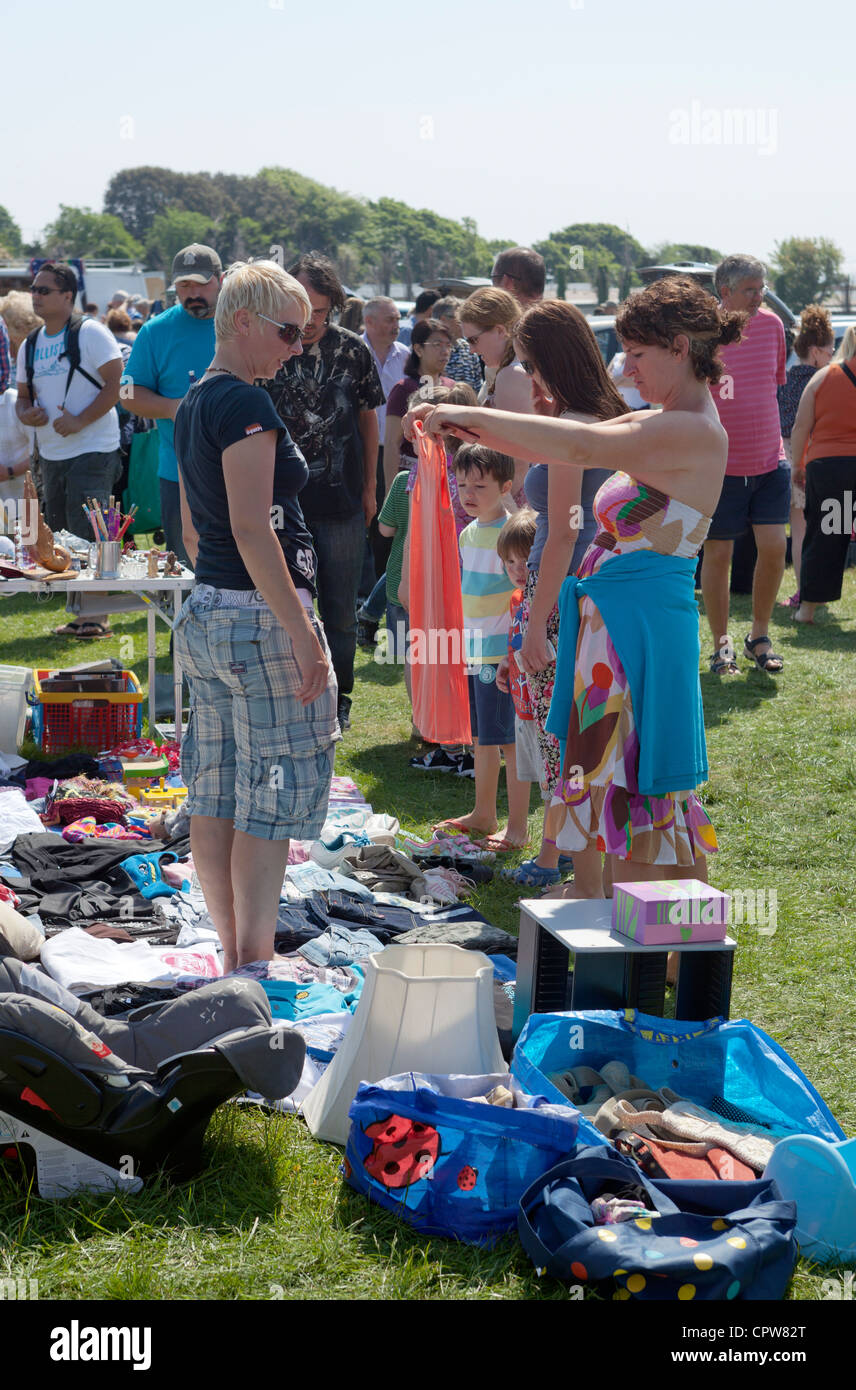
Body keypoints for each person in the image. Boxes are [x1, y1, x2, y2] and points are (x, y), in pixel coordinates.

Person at [405, 276, 738, 894]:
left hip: (638, 634)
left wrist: (465, 415)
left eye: (638, 354)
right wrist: (463, 427)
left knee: (643, 795)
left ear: (681, 346)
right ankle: (659, 949)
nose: (629, 370)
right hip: (617, 627)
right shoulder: (668, 419)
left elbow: (581, 441)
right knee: (634, 794)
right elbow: (567, 441)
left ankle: (660, 953)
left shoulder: (690, 429)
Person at [172, 259, 338, 974]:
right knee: (268, 797)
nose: (297, 346)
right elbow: (248, 528)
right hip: (257, 615)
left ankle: (236, 954)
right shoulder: (243, 403)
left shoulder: (193, 399)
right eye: (288, 331)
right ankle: (255, 961)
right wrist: (304, 634)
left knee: (216, 790)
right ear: (244, 322)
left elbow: (192, 529)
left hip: (208, 611)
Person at [500, 299, 626, 889]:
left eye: (527, 363)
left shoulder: (573, 425)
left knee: (566, 745)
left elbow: (566, 528)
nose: (526, 376)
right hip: (592, 597)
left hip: (565, 601)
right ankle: (582, 866)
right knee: (587, 742)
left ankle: (577, 868)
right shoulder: (608, 415)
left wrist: (534, 617)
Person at [263, 253, 383, 732]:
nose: (310, 322)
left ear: (334, 304)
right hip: (278, 504)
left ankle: (340, 696)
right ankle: (287, 692)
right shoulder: (267, 345)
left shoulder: (352, 350)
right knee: (279, 602)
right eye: (300, 308)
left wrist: (372, 484)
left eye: (319, 310)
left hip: (341, 500)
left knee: (338, 608)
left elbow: (369, 417)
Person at [15, 262, 122, 639]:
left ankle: (98, 618)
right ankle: (80, 615)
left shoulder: (91, 333)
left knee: (89, 531)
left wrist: (81, 419)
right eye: (34, 289)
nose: (36, 295)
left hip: (94, 448)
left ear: (67, 296)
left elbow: (116, 383)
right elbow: (22, 399)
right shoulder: (30, 344)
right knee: (62, 535)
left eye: (44, 290)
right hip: (53, 454)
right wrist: (28, 413)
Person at [433, 444, 531, 851]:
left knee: (509, 741)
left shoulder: (513, 534)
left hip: (501, 657)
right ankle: (484, 812)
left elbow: (523, 593)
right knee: (483, 738)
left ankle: (519, 827)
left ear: (506, 486)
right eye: (461, 485)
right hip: (475, 652)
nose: (468, 493)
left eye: (480, 485)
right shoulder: (467, 532)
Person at [700, 254, 788, 675]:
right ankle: (721, 646)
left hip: (771, 461)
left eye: (761, 288)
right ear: (725, 292)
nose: (759, 296)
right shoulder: (704, 332)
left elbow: (772, 385)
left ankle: (759, 635)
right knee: (718, 554)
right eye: (750, 289)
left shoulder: (773, 326)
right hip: (721, 466)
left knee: (774, 547)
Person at [122, 243, 223, 569]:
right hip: (179, 475)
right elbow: (126, 394)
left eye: (199, 283)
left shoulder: (244, 323)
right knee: (188, 573)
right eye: (183, 285)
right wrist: (174, 408)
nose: (191, 292)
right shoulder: (155, 331)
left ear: (220, 279)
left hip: (246, 471)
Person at [790, 329, 856, 626]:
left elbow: (801, 427)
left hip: (830, 468)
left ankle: (807, 610)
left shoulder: (824, 377)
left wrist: (798, 466)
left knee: (827, 535)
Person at [777, 306, 835, 608]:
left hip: (789, 460)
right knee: (827, 529)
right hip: (819, 459)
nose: (832, 355)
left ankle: (804, 592)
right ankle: (816, 592)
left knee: (799, 530)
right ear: (814, 351)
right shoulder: (826, 381)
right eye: (829, 350)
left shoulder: (785, 380)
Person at [459, 286, 533, 499]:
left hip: (513, 501)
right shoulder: (512, 370)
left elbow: (517, 462)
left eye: (473, 340)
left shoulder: (512, 375)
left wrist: (498, 516)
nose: (471, 350)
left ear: (501, 331)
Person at [383, 319, 454, 491]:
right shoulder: (404, 388)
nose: (445, 351)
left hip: (447, 483)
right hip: (411, 484)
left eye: (448, 345)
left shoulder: (452, 387)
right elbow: (392, 443)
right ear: (418, 349)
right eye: (437, 344)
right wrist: (391, 491)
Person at [430, 296, 483, 391]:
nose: (463, 323)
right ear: (443, 320)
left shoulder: (467, 347)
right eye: (459, 318)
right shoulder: (428, 350)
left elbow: (478, 385)